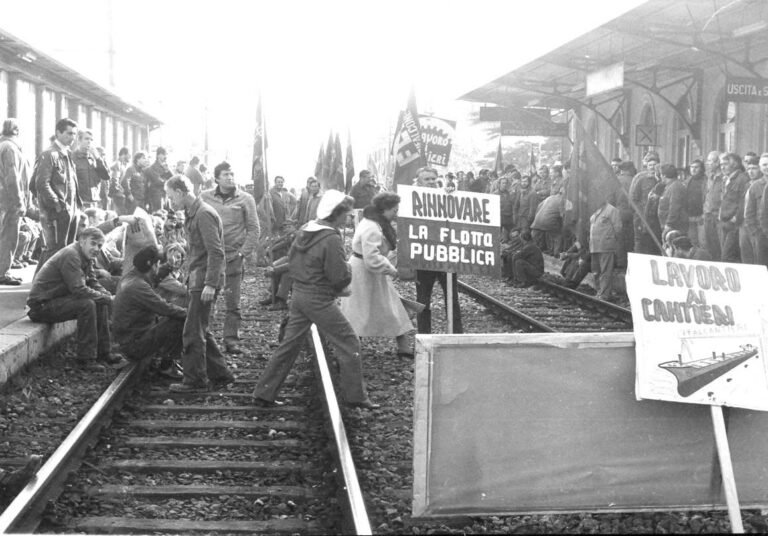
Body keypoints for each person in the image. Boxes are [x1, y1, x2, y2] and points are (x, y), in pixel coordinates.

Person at [253, 190, 378, 409]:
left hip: (300, 295)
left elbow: (292, 261)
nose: (349, 217)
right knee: (349, 342)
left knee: (289, 345)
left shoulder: (305, 230)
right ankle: (356, 396)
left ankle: (265, 391)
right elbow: (338, 276)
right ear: (336, 213)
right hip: (319, 298)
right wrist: (347, 273)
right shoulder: (330, 238)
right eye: (347, 213)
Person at [164, 175, 234, 393]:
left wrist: (210, 284)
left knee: (193, 331)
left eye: (169, 196)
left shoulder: (203, 214)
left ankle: (195, 381)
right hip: (198, 278)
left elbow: (215, 252)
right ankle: (221, 374)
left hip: (203, 280)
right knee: (200, 327)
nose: (169, 201)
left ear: (179, 192)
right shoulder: (195, 213)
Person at [26, 227, 126, 367]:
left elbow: (92, 281)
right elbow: (78, 289)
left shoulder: (85, 255)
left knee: (100, 300)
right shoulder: (71, 255)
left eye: (99, 245)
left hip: (56, 300)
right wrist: (108, 299)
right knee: (87, 304)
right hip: (41, 306)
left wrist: (106, 295)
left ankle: (104, 352)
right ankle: (85, 359)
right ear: (82, 241)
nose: (96, 248)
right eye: (93, 243)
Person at [340, 192, 414, 358]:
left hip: (368, 270)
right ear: (384, 210)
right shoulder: (372, 227)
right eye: (394, 210)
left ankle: (403, 346)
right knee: (358, 309)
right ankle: (352, 347)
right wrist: (392, 270)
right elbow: (372, 258)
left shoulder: (374, 222)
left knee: (389, 305)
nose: (396, 213)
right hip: (363, 272)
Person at [200, 162, 260, 354]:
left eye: (232, 174)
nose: (230, 177)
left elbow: (254, 228)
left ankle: (231, 340)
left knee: (233, 302)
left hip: (233, 257)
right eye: (226, 174)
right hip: (210, 258)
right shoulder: (205, 197)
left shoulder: (245, 199)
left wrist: (243, 252)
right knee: (206, 298)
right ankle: (204, 338)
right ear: (216, 178)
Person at [112, 245, 186, 380]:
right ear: (154, 265)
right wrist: (189, 314)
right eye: (159, 263)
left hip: (127, 339)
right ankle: (167, 366)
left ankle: (161, 358)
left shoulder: (129, 277)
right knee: (178, 319)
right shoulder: (139, 286)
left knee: (173, 315)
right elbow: (164, 308)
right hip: (134, 345)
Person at [413, 167, 463, 334]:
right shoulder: (411, 198)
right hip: (424, 256)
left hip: (446, 255)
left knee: (452, 298)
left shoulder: (446, 194)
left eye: (433, 179)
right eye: (427, 179)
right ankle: (424, 336)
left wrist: (452, 194)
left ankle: (457, 335)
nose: (431, 182)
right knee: (423, 300)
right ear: (419, 182)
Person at [33, 118, 81, 271]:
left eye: (74, 134)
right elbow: (41, 183)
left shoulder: (66, 153)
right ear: (58, 133)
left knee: (66, 248)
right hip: (58, 211)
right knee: (54, 250)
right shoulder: (50, 154)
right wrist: (56, 204)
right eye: (68, 134)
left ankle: (55, 284)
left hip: (71, 209)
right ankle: (40, 286)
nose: (72, 137)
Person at [0, 119, 30, 286]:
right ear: (17, 132)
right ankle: (2, 272)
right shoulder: (11, 148)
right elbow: (12, 177)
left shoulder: (2, 145)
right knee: (8, 237)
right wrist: (19, 201)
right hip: (8, 201)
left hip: (2, 200)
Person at [718, 152, 749, 263]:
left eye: (726, 164)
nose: (722, 167)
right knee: (726, 255)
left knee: (727, 257)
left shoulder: (742, 179)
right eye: (721, 164)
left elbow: (743, 201)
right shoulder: (726, 179)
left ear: (735, 164)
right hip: (724, 221)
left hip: (733, 224)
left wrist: (736, 218)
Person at [589, 197, 622, 301]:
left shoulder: (612, 210)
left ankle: (604, 294)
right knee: (596, 270)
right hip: (594, 246)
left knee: (605, 271)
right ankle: (599, 291)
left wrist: (612, 241)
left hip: (606, 246)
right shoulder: (596, 211)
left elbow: (618, 228)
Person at [629, 151, 660, 254]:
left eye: (654, 165)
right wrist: (640, 212)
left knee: (655, 243)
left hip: (656, 218)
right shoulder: (641, 179)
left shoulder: (661, 180)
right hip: (641, 217)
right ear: (646, 166)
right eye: (650, 165)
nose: (652, 167)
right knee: (640, 242)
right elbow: (633, 199)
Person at [71, 129, 110, 209]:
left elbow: (105, 176)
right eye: (86, 139)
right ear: (79, 140)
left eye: (91, 139)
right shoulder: (72, 157)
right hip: (79, 203)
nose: (89, 142)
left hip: (94, 202)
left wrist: (98, 158)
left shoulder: (95, 158)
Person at [741, 155, 767, 265]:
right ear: (760, 167)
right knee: (762, 266)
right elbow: (749, 213)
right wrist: (756, 233)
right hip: (762, 234)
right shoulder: (755, 187)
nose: (767, 167)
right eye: (764, 165)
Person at [657, 163, 688, 237]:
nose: (660, 177)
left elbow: (674, 207)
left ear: (664, 176)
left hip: (674, 227)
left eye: (661, 175)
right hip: (670, 225)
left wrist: (669, 224)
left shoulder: (675, 187)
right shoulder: (670, 186)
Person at [144, 147, 173, 212]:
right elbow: (158, 181)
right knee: (159, 215)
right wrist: (168, 182)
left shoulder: (165, 166)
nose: (166, 156)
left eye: (166, 154)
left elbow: (173, 179)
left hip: (165, 195)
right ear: (158, 155)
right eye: (164, 154)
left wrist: (168, 170)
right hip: (156, 196)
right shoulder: (152, 168)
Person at [685, 159, 706, 247]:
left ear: (701, 169)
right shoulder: (687, 181)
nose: (693, 169)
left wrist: (704, 214)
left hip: (702, 217)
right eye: (692, 167)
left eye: (696, 167)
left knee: (703, 242)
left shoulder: (706, 181)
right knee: (692, 241)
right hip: (690, 216)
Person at [109, 147, 130, 215]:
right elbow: (114, 180)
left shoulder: (122, 165)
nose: (130, 156)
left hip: (121, 196)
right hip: (118, 196)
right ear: (123, 154)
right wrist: (119, 191)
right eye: (129, 154)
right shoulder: (117, 165)